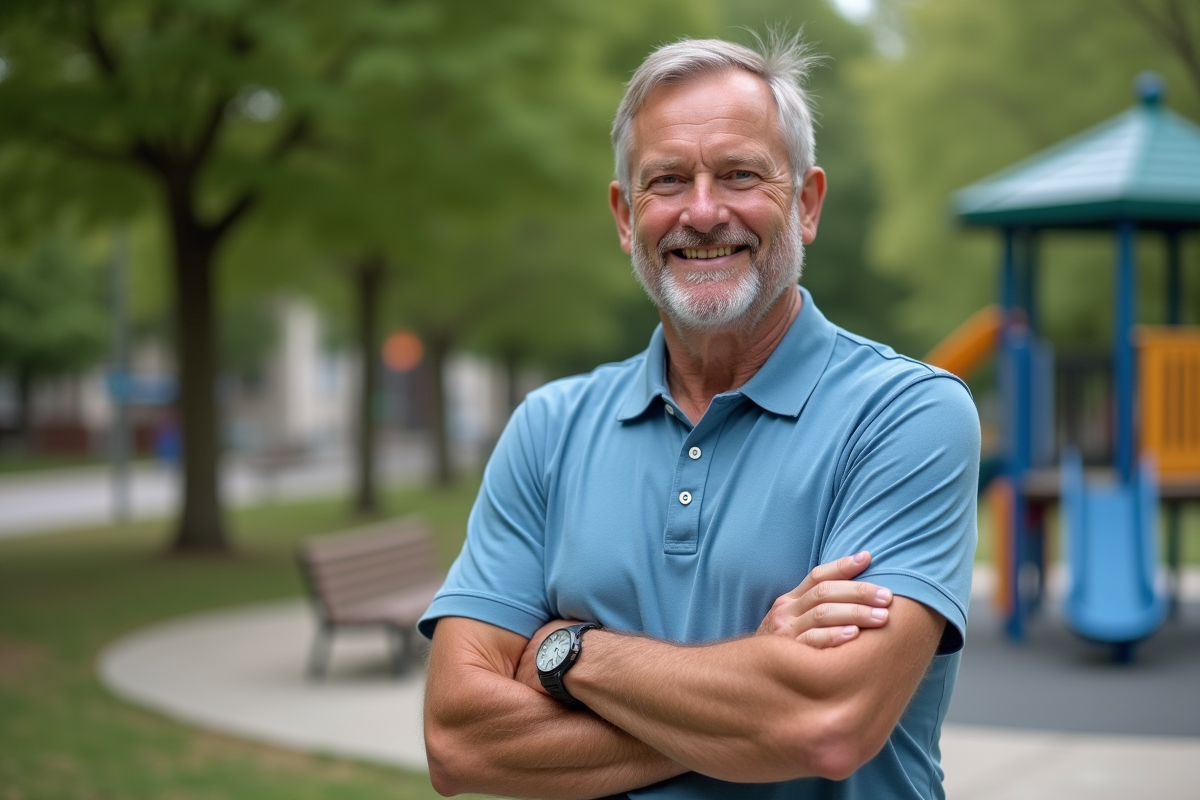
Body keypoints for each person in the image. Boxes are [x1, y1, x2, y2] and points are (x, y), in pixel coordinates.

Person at [419, 33, 978, 800]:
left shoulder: (906, 415)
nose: (704, 211)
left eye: (741, 175)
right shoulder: (548, 427)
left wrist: (567, 652)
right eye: (669, 180)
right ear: (625, 217)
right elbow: (458, 741)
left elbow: (827, 723)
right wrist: (752, 698)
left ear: (805, 203)